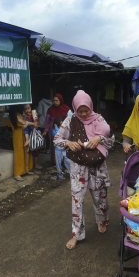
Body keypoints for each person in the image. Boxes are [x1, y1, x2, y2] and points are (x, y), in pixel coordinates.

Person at [54, 90, 114, 250]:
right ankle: (76, 234)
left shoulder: (99, 119)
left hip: (97, 167)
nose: (84, 113)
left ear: (90, 106)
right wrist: (68, 143)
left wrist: (99, 138)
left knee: (100, 197)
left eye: (86, 110)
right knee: (77, 202)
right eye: (80, 111)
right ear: (75, 109)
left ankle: (101, 220)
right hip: (78, 169)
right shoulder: (70, 121)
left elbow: (111, 140)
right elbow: (57, 139)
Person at [9, 104, 37, 181]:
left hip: (22, 135)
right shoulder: (15, 115)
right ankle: (17, 173)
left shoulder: (18, 114)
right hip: (18, 136)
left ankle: (26, 169)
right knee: (19, 154)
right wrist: (33, 123)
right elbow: (23, 123)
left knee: (26, 152)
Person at [44, 93, 71, 164]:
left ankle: (65, 162)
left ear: (60, 100)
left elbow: (71, 119)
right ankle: (55, 161)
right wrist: (46, 130)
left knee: (65, 145)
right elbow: (47, 120)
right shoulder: (50, 109)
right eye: (54, 100)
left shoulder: (66, 108)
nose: (55, 102)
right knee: (55, 146)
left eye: (57, 100)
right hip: (54, 130)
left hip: (65, 131)